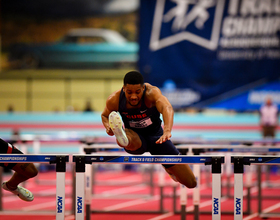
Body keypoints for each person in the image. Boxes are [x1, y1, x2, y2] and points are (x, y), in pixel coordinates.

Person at [101, 70, 197, 188]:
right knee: (128, 137)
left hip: (158, 138)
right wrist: (108, 127)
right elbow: (105, 115)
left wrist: (167, 130)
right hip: (135, 138)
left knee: (191, 182)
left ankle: (170, 169)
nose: (133, 96)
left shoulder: (152, 93)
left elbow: (167, 108)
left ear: (143, 88)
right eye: (129, 92)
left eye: (137, 92)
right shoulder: (115, 99)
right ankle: (122, 137)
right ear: (124, 89)